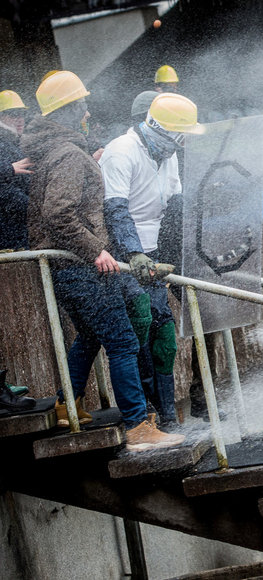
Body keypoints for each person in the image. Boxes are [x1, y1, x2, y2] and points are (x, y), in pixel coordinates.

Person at [22, 70, 184, 451]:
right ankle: (137, 426)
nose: (88, 110)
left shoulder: (61, 151)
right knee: (125, 342)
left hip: (68, 270)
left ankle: (67, 404)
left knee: (92, 336)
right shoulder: (67, 156)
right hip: (80, 270)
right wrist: (96, 250)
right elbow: (58, 214)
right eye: (82, 103)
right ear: (69, 109)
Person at [100, 92, 203, 428]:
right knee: (141, 322)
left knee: (165, 335)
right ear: (164, 131)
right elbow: (115, 210)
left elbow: (175, 203)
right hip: (122, 254)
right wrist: (134, 253)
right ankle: (150, 412)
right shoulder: (121, 152)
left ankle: (170, 415)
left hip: (153, 253)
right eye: (181, 135)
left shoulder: (167, 156)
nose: (183, 143)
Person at [0, 90, 33, 250]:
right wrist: (33, 207)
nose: (20, 119)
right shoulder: (3, 144)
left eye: (22, 114)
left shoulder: (14, 142)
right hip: (10, 232)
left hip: (15, 229)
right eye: (13, 114)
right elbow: (4, 191)